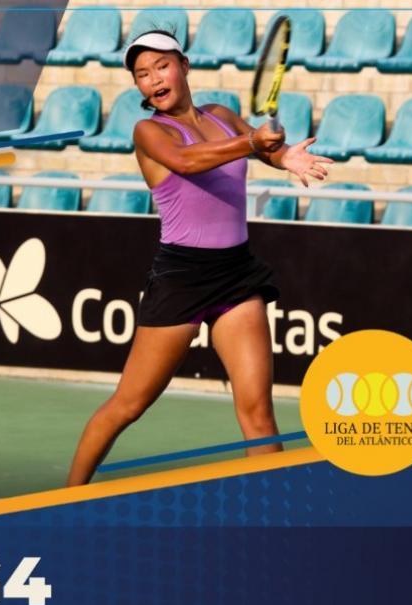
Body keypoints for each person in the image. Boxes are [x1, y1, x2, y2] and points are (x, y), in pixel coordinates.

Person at [64, 30, 333, 487]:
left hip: (237, 274)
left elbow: (263, 148)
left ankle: (281, 526)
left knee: (258, 414)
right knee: (128, 405)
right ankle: (65, 499)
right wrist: (254, 144)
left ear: (184, 65)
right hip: (181, 278)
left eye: (161, 66)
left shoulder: (224, 116)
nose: (153, 79)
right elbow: (189, 162)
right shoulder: (149, 131)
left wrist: (284, 156)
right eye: (142, 74)